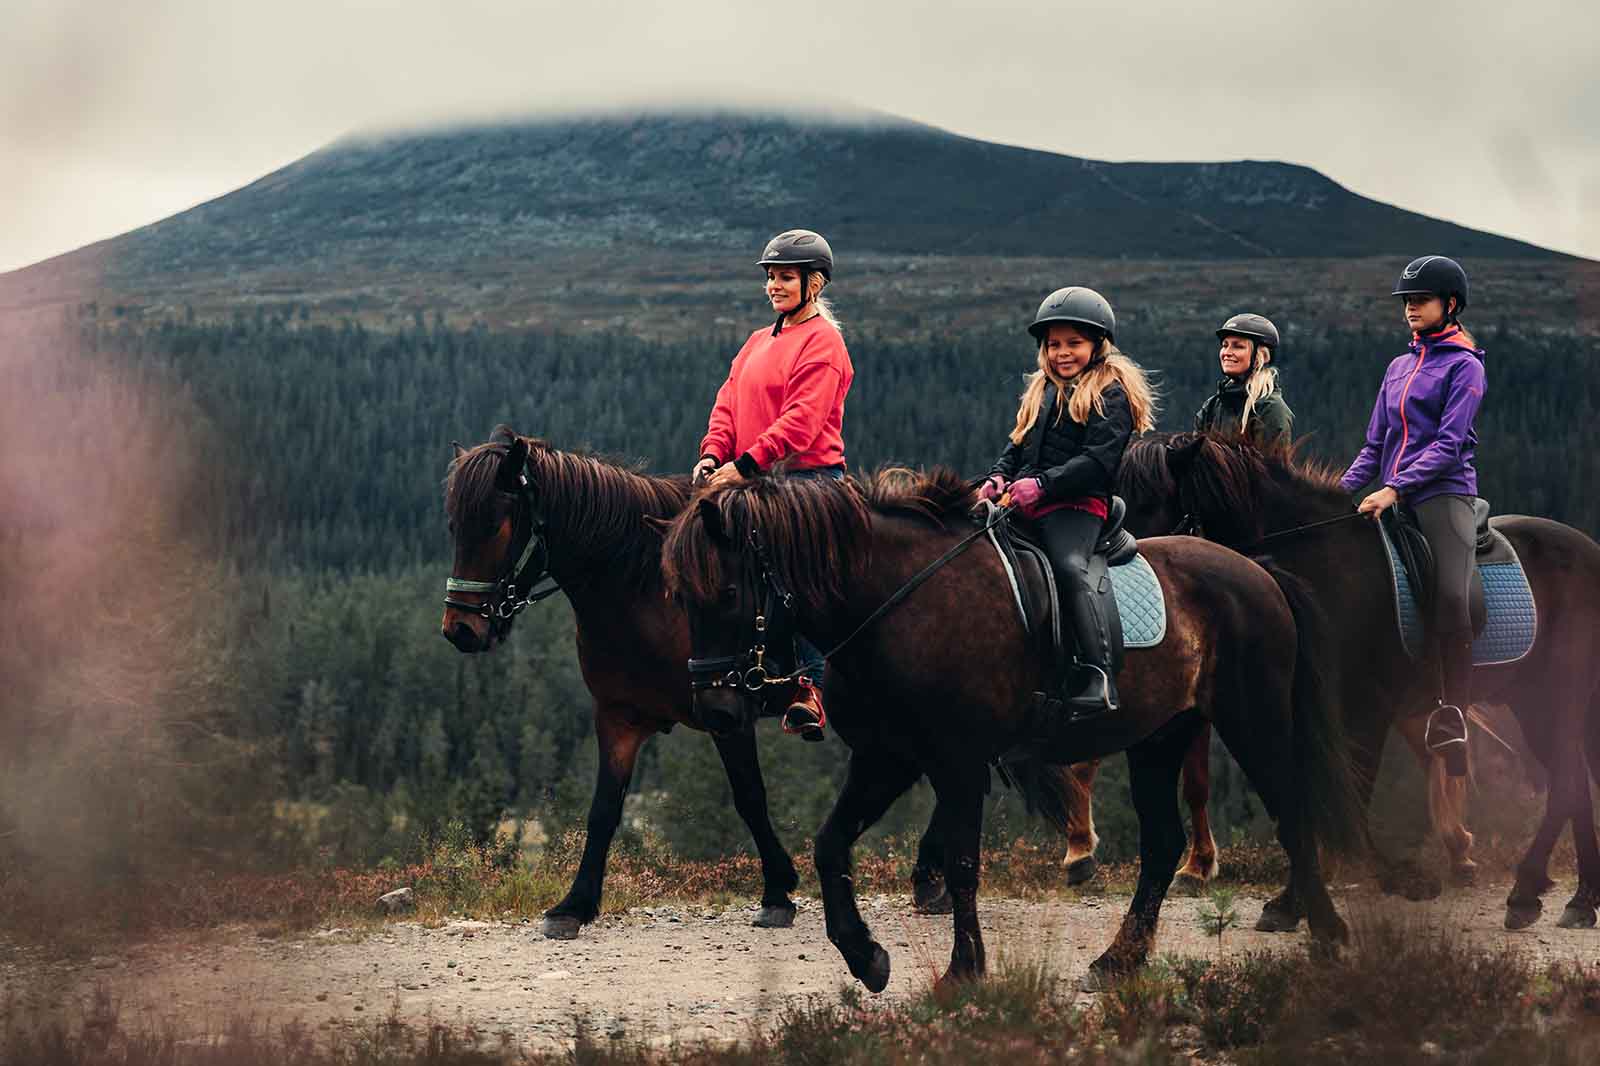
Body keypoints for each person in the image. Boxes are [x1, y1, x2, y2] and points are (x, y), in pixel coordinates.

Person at [693, 229, 854, 741]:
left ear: (814, 283)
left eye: (785, 277)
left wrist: (745, 464)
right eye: (770, 277)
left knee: (794, 574)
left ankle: (812, 687)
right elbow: (727, 403)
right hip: (753, 478)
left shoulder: (824, 343)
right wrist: (713, 454)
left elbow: (801, 424)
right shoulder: (757, 341)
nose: (774, 286)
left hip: (807, 481)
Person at [979, 287, 1157, 716]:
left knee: (1069, 567)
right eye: (1054, 344)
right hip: (1025, 500)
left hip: (1078, 506)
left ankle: (1098, 673)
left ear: (1098, 345)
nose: (1062, 353)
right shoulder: (1041, 390)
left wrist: (1042, 485)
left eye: (1073, 343)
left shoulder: (1110, 393)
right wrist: (998, 475)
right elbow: (1017, 444)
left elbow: (1098, 461)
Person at [1339, 255, 1485, 775]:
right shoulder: (1399, 367)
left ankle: (1454, 712)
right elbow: (1374, 445)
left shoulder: (1466, 366)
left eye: (1419, 301)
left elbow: (1448, 446)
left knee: (1450, 592)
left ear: (1450, 304)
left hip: (1444, 495)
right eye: (1406, 302)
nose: (1410, 310)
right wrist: (1338, 493)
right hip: (1392, 492)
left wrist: (1394, 489)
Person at [1195, 313, 1293, 446]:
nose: (1227, 352)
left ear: (1261, 356)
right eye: (1225, 345)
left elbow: (1269, 466)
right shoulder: (1211, 407)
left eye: (1238, 346)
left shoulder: (1270, 409)